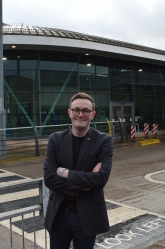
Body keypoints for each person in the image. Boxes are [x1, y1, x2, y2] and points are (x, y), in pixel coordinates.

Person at [43, 92, 113, 249]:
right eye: (76, 110)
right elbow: (49, 178)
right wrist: (86, 183)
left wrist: (64, 173)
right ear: (69, 112)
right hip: (58, 215)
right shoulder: (55, 139)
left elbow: (101, 179)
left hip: (87, 217)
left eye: (86, 111)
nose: (80, 114)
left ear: (93, 114)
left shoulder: (104, 141)